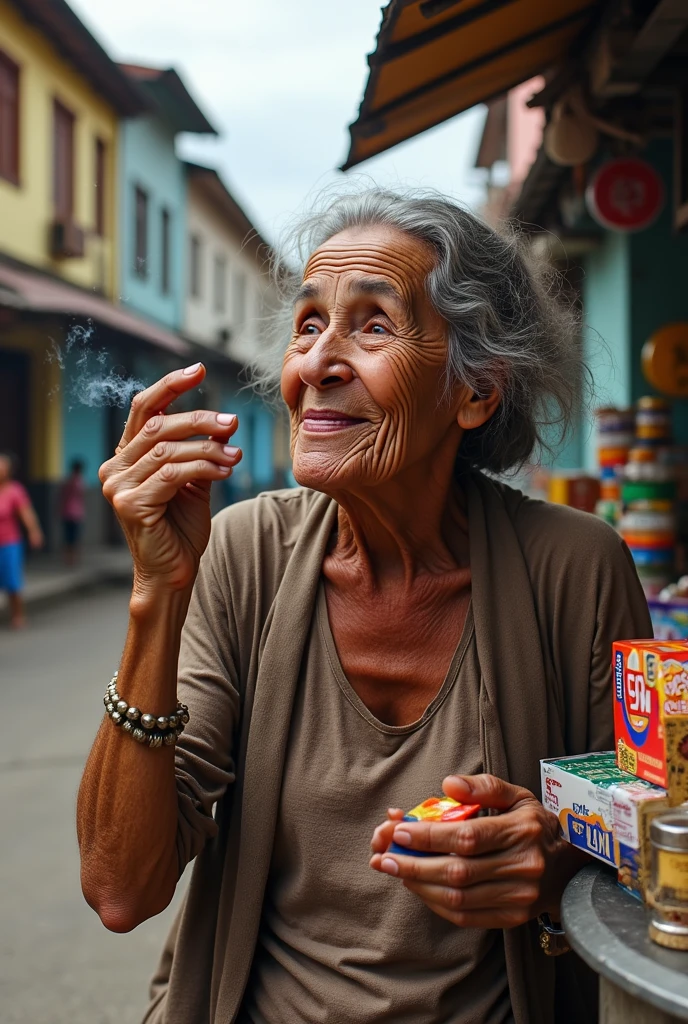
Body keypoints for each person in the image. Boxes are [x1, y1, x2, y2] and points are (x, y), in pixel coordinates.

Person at [77, 189, 651, 1024]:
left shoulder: (575, 567)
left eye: (374, 325)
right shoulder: (244, 554)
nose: (317, 363)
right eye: (309, 325)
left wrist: (554, 861)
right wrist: (156, 593)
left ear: (476, 393)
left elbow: (652, 851)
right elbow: (121, 889)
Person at [0, 452, 44, 628]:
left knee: (12, 582)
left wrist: (34, 531)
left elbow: (26, 513)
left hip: (10, 543)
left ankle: (18, 615)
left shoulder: (15, 490)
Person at [60, 458, 86, 566]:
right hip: (76, 514)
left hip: (67, 512)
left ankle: (69, 559)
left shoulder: (68, 481)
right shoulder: (79, 481)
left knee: (68, 537)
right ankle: (73, 559)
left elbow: (63, 496)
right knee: (74, 538)